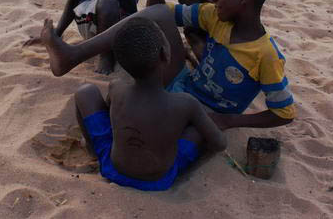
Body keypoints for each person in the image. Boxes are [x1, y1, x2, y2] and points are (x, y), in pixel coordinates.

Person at [41, 0, 295, 130]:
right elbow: (155, 10)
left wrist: (229, 121)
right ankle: (73, 55)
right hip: (184, 84)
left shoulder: (267, 55)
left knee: (132, 107)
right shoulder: (213, 15)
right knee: (159, 15)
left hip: (204, 112)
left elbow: (284, 113)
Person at [75, 16, 226, 191]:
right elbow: (220, 144)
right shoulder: (186, 104)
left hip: (113, 169)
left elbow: (110, 114)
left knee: (85, 92)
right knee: (198, 129)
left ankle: (93, 150)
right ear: (164, 54)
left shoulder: (117, 88)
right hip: (159, 180)